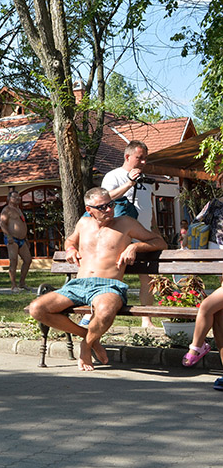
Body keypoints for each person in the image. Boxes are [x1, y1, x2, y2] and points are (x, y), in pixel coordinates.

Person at [27, 187, 166, 372]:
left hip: (109, 285)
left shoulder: (126, 223)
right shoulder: (83, 224)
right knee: (37, 309)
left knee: (106, 310)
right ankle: (89, 336)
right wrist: (70, 250)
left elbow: (160, 242)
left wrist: (135, 247)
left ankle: (85, 346)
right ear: (89, 209)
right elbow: (70, 241)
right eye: (103, 207)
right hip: (78, 284)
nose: (109, 209)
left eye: (111, 204)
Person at [101, 140, 158, 328]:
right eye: (139, 158)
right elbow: (106, 200)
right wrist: (129, 183)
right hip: (120, 235)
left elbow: (149, 207)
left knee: (148, 278)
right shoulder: (113, 176)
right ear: (127, 156)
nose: (143, 162)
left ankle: (146, 319)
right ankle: (102, 316)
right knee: (113, 277)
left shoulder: (146, 179)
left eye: (145, 159)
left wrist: (154, 230)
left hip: (143, 235)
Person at [0, 190, 32, 291]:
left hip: (22, 240)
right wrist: (8, 236)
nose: (18, 199)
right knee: (14, 261)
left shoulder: (18, 210)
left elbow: (22, 224)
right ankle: (14, 285)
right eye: (15, 197)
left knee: (28, 260)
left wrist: (26, 238)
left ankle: (22, 283)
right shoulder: (6, 210)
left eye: (19, 198)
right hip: (12, 239)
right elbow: (2, 224)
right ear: (9, 198)